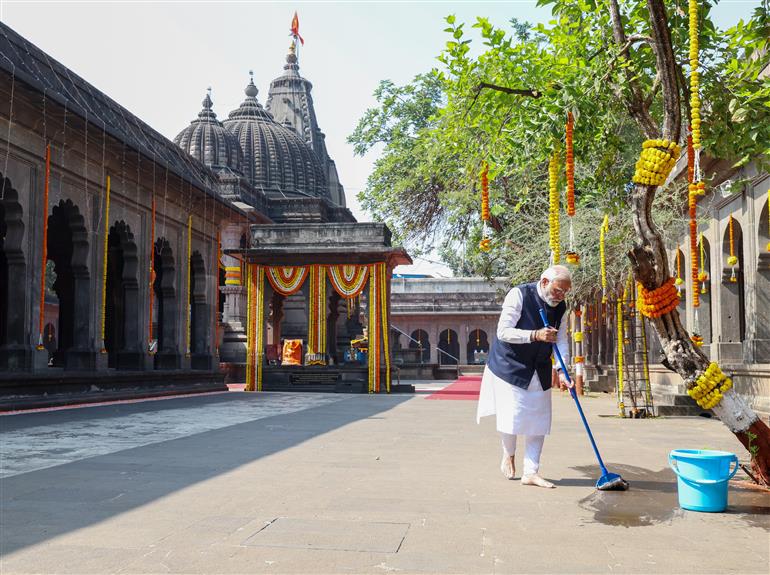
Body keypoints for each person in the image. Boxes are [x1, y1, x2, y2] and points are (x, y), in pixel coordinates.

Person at [476, 265, 572, 488]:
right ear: (545, 282)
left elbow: (561, 339)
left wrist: (562, 370)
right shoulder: (519, 294)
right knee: (513, 416)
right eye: (558, 290)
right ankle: (508, 453)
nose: (561, 295)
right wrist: (535, 335)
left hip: (539, 364)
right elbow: (503, 331)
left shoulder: (561, 307)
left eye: (566, 292)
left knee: (539, 419)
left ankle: (531, 472)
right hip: (510, 364)